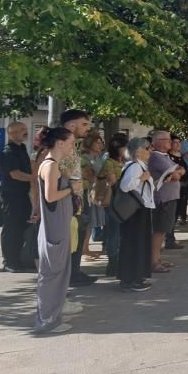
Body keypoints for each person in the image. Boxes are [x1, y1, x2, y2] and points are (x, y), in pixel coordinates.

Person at [34, 127, 81, 333]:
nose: (73, 146)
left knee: (56, 272)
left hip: (57, 224)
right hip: (55, 226)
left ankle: (52, 317)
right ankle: (47, 320)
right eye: (71, 142)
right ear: (60, 143)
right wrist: (72, 189)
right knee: (53, 273)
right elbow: (50, 196)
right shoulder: (51, 166)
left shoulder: (53, 165)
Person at [59, 110, 97, 287]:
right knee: (67, 242)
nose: (87, 129)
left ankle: (74, 272)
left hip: (77, 201)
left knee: (77, 238)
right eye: (84, 124)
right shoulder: (59, 146)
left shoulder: (73, 146)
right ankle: (65, 279)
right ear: (71, 125)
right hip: (64, 202)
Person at [117, 138, 155, 292]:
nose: (150, 151)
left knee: (137, 243)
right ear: (138, 151)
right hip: (135, 211)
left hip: (139, 209)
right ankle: (132, 279)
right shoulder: (134, 167)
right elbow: (125, 186)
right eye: (147, 148)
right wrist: (142, 178)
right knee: (134, 244)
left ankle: (134, 277)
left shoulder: (139, 166)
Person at [0, 121, 34, 273]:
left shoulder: (22, 148)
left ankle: (18, 259)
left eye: (25, 129)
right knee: (12, 228)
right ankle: (9, 262)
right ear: (11, 133)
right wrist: (36, 178)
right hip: (12, 196)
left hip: (23, 195)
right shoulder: (8, 152)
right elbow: (15, 174)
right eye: (21, 130)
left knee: (21, 228)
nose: (25, 132)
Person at [148, 131, 185, 273]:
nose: (171, 142)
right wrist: (178, 172)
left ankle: (157, 259)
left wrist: (179, 172)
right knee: (159, 230)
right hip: (162, 199)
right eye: (168, 139)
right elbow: (175, 174)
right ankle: (153, 262)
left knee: (163, 231)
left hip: (169, 197)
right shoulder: (156, 157)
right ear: (158, 141)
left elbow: (181, 169)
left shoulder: (165, 156)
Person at [99, 134, 127, 277]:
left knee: (121, 232)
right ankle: (112, 262)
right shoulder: (109, 163)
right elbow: (113, 182)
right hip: (113, 201)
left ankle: (121, 260)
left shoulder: (125, 161)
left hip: (124, 202)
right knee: (113, 233)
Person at [80, 130, 106, 261]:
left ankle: (87, 249)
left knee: (91, 222)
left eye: (101, 142)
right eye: (97, 142)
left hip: (97, 191)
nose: (100, 144)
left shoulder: (99, 157)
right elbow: (89, 175)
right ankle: (84, 250)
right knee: (87, 221)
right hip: (87, 191)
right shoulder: (84, 158)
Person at [166, 135, 188, 249]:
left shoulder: (181, 156)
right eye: (175, 142)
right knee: (171, 214)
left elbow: (184, 170)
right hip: (172, 187)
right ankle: (169, 238)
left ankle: (171, 236)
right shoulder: (168, 157)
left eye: (179, 143)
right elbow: (174, 171)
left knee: (177, 211)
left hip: (182, 187)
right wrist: (180, 171)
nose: (178, 144)